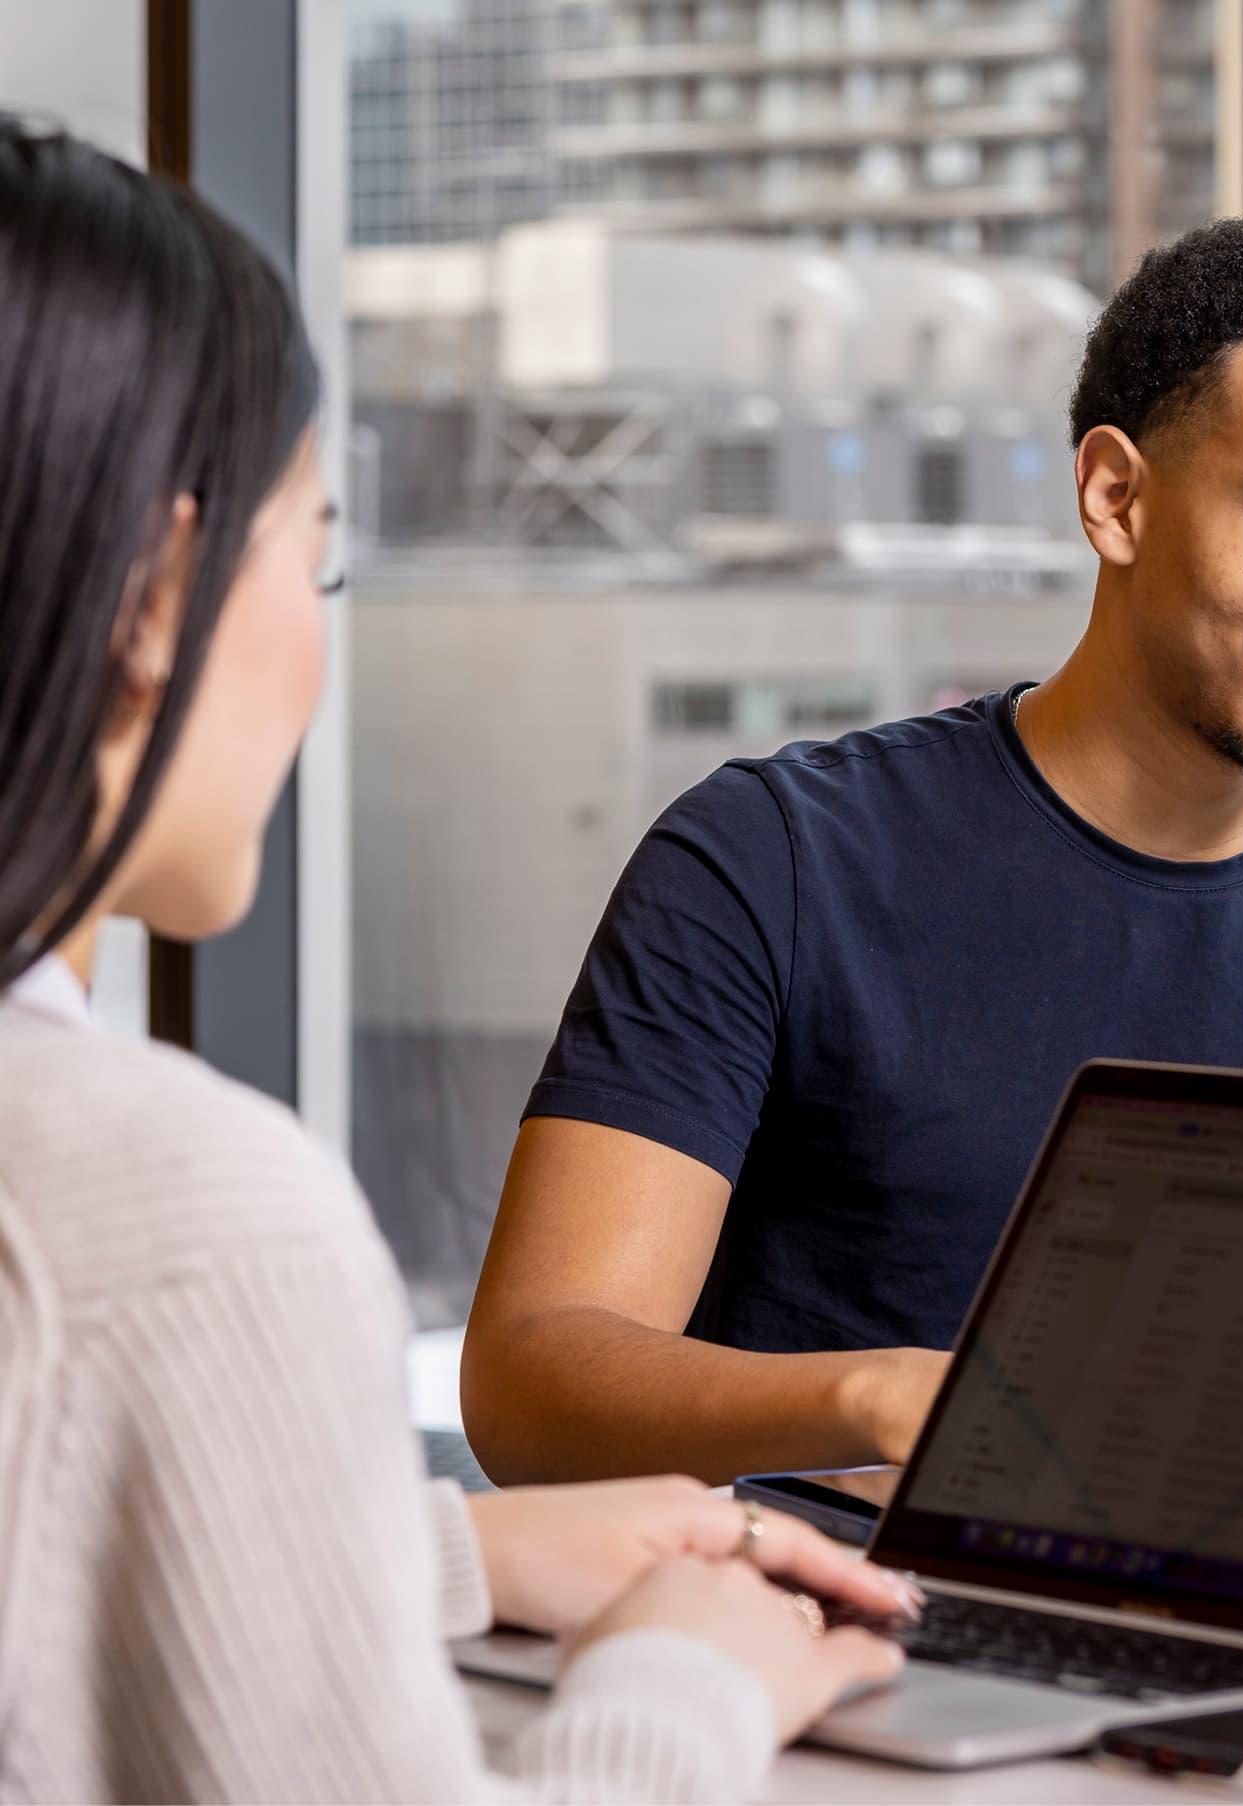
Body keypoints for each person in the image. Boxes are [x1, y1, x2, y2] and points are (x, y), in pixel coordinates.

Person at [0, 118, 914, 1800]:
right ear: (155, 595)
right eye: (318, 555)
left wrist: (442, 1554)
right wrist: (679, 1683)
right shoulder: (179, 1218)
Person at [463, 210, 1243, 1487]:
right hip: (844, 1633)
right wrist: (892, 1399)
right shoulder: (775, 861)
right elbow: (532, 1382)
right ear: (1114, 495)